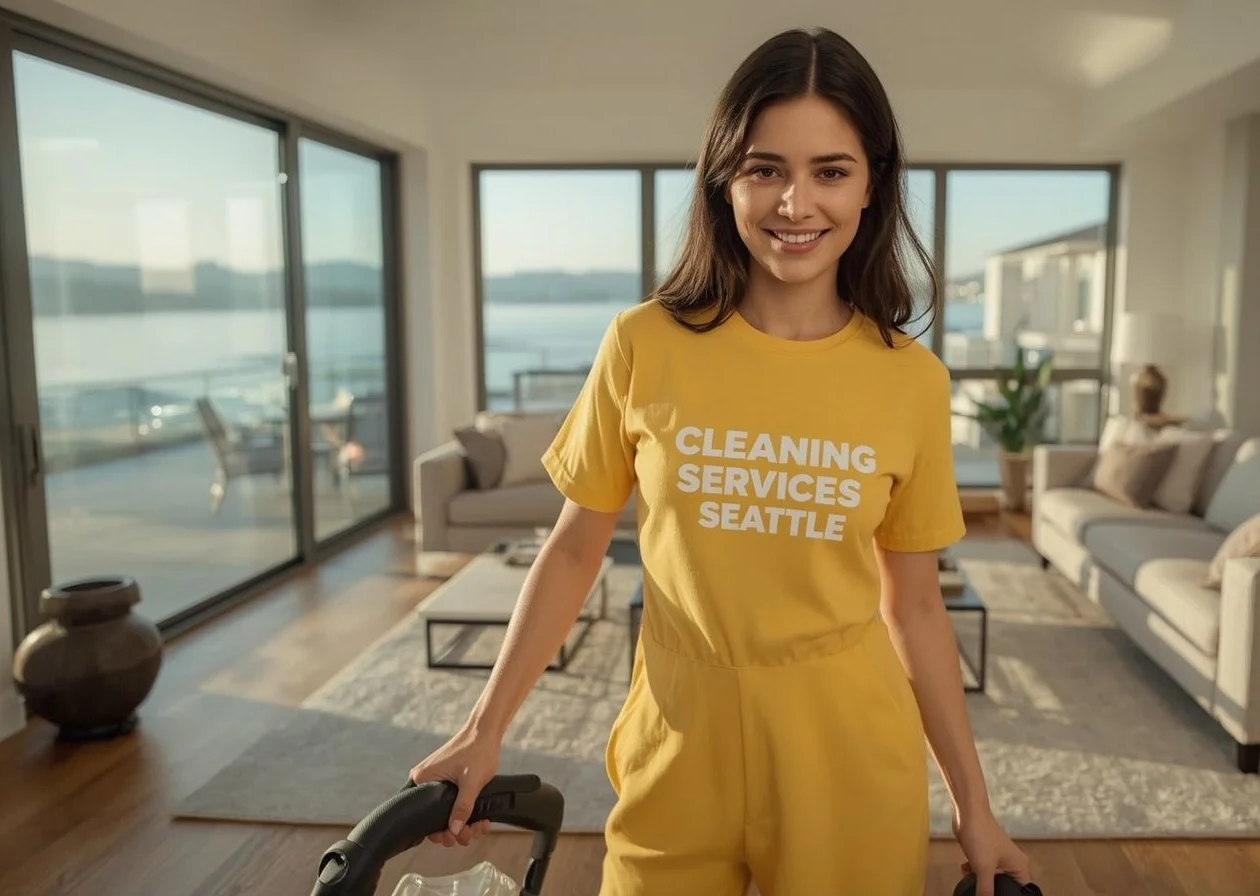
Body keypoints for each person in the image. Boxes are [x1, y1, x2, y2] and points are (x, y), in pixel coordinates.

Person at [409, 25, 1034, 896]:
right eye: (765, 168)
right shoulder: (642, 343)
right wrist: (485, 727)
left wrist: (974, 804)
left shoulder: (910, 380)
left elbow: (917, 606)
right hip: (676, 744)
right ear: (724, 180)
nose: (795, 203)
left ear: (872, 185)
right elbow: (574, 549)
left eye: (830, 170)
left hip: (847, 754)